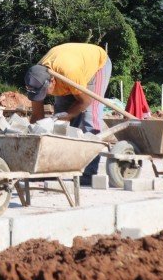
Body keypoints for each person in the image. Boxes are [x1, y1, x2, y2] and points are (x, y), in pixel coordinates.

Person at [24, 43, 111, 183]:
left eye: (44, 92)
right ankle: (51, 170)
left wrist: (68, 116)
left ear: (52, 81)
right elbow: (37, 116)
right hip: (68, 70)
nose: (43, 96)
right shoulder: (37, 78)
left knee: (89, 117)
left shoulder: (70, 74)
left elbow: (85, 101)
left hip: (96, 67)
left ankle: (89, 173)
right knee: (59, 124)